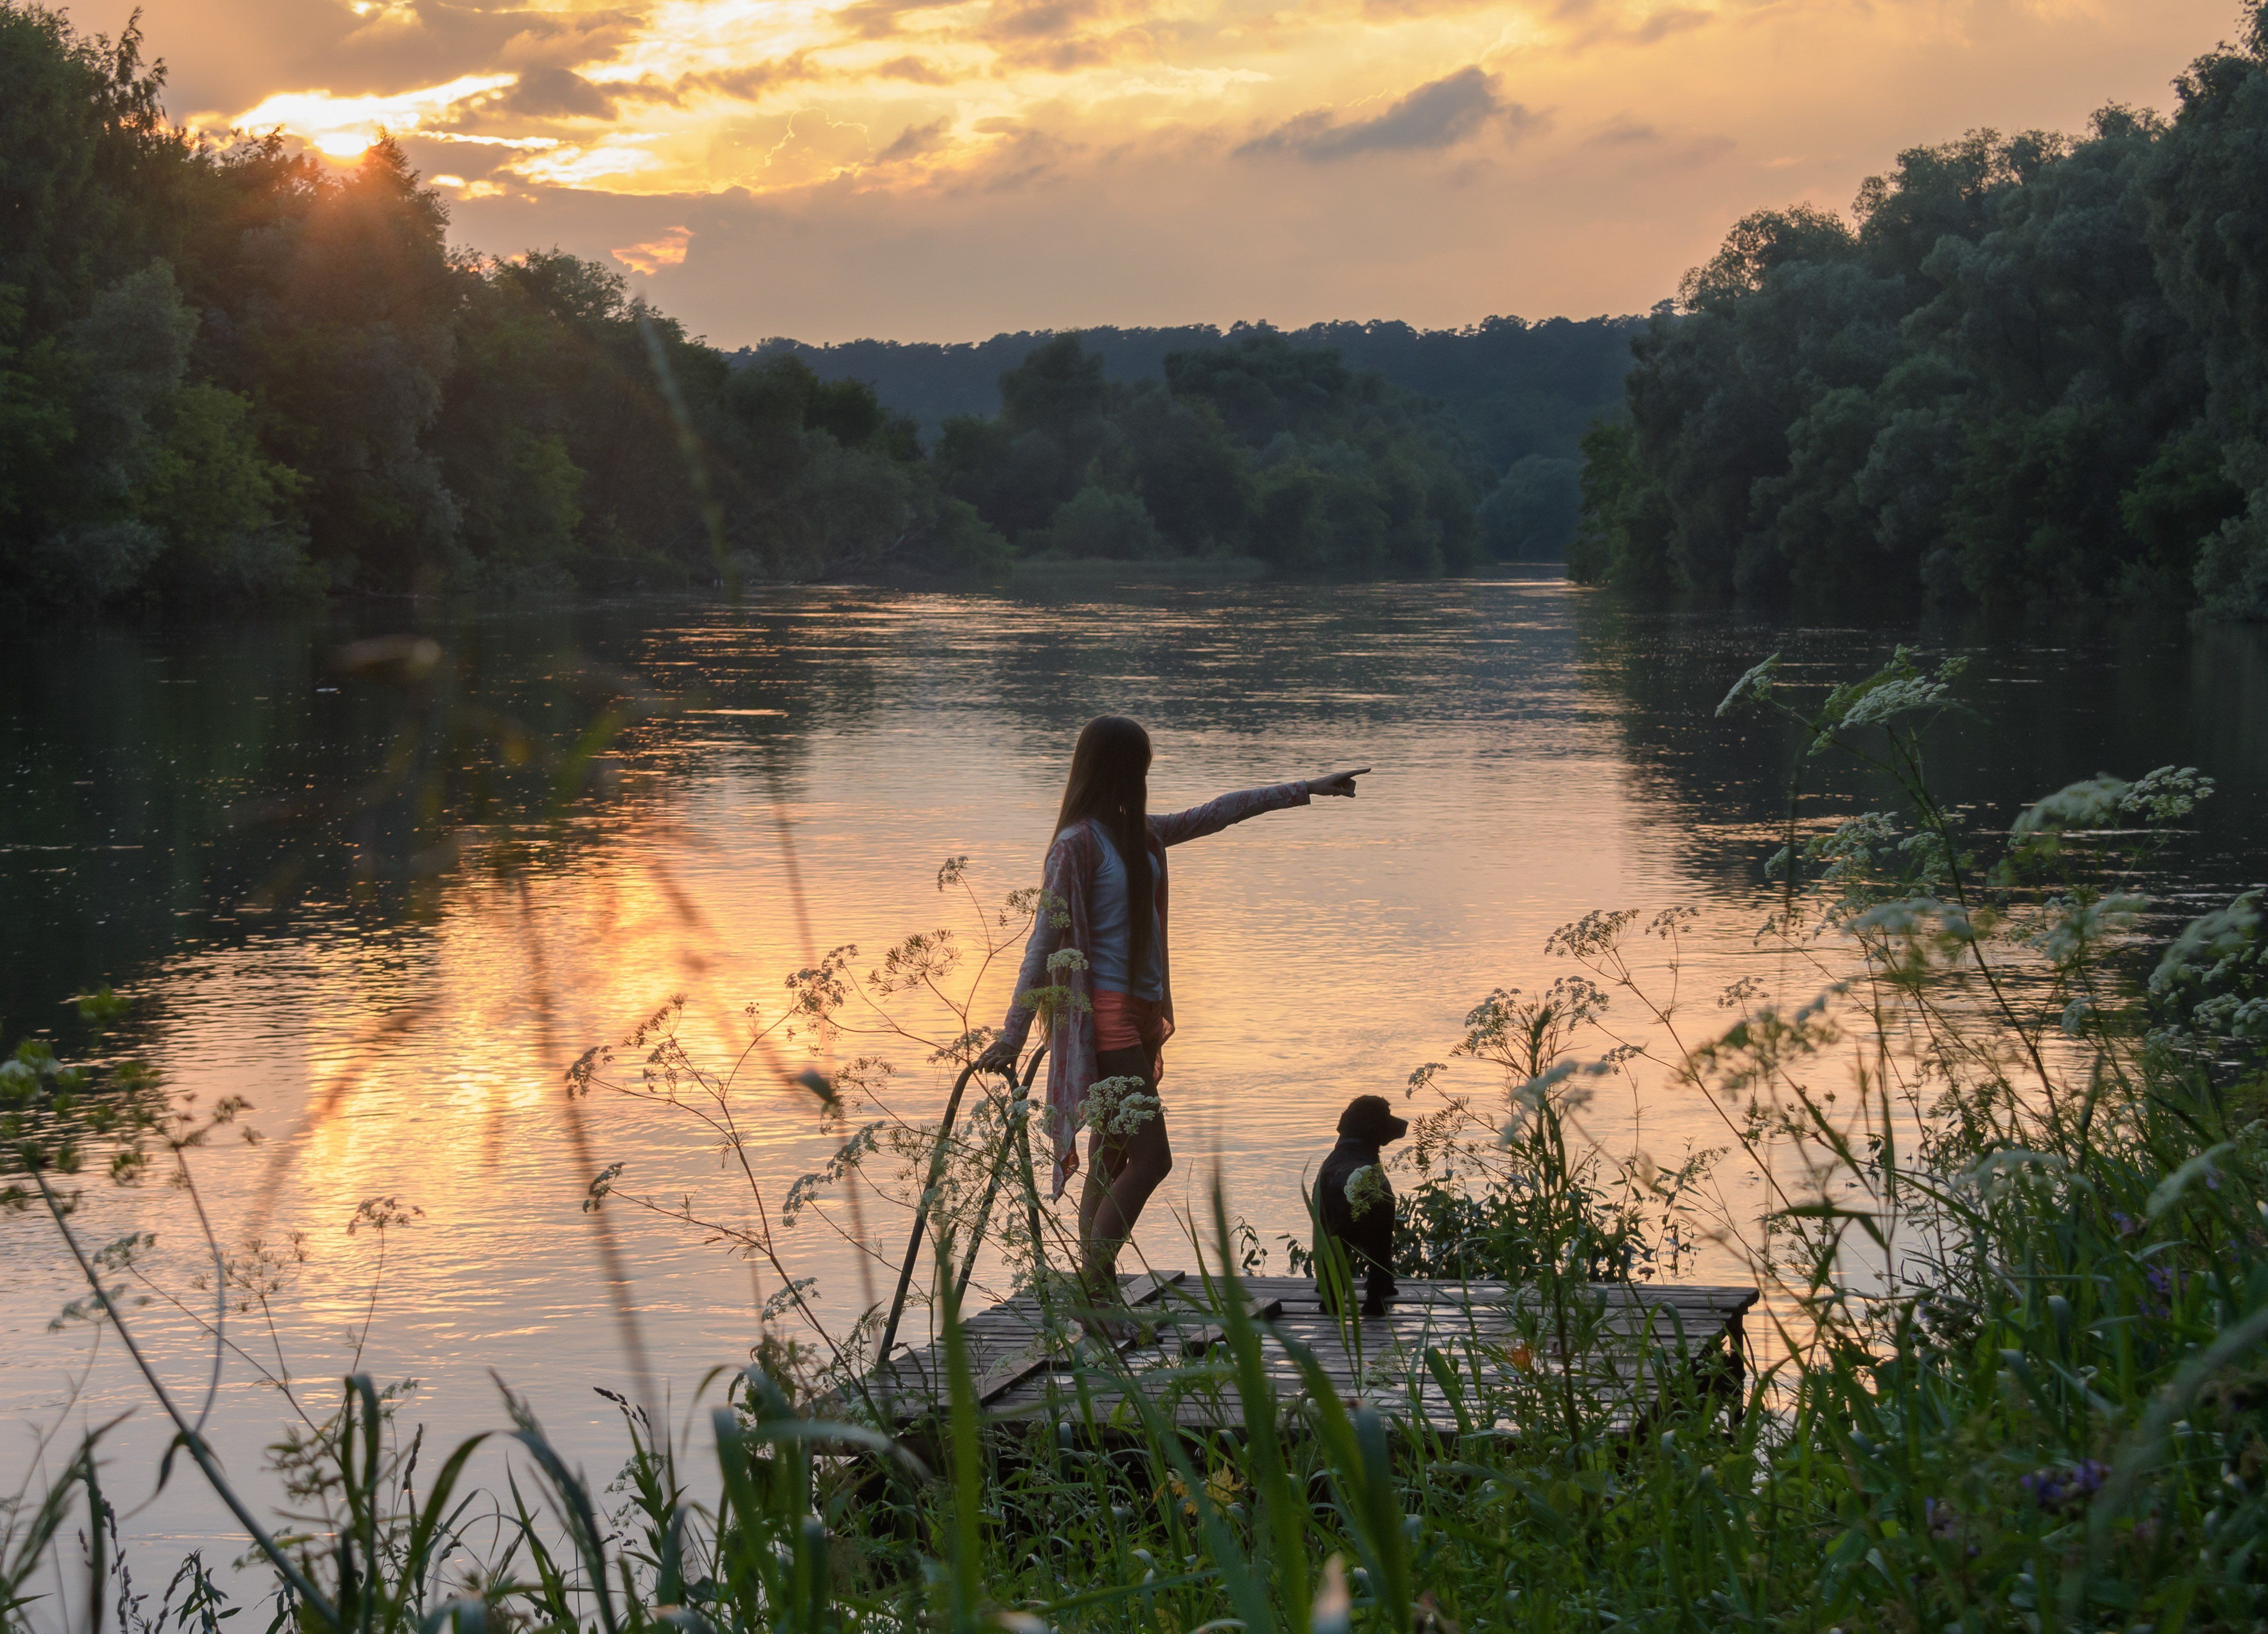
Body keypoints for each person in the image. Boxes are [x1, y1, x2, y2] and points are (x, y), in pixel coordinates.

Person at [976, 714, 1366, 1311]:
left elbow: (1218, 811)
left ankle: (1096, 1293)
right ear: (1118, 769)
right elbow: (1043, 942)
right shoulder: (1075, 845)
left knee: (1112, 1151)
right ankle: (1094, 1288)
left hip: (1138, 1011)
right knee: (1152, 1156)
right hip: (1103, 1014)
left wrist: (1307, 788)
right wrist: (1013, 1034)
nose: (1144, 776)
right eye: (1139, 765)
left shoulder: (1141, 835)